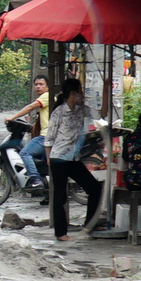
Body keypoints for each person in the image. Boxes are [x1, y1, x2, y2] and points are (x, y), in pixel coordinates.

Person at [45, 77, 103, 241]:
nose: (82, 94)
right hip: (59, 158)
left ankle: (89, 224)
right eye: (80, 91)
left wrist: (105, 89)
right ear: (73, 93)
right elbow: (49, 138)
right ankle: (61, 233)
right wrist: (49, 158)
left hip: (73, 159)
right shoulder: (59, 112)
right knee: (60, 196)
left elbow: (101, 113)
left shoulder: (81, 110)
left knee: (94, 188)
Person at [1, 76, 51, 190]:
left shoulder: (46, 96)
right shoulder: (49, 97)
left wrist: (12, 118)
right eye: (36, 84)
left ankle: (35, 180)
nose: (38, 86)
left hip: (46, 136)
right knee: (40, 162)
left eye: (41, 84)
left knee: (25, 153)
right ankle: (46, 192)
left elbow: (30, 107)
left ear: (47, 87)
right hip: (50, 135)